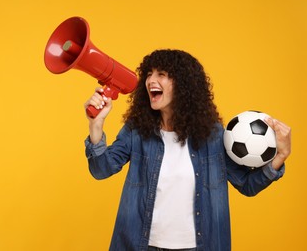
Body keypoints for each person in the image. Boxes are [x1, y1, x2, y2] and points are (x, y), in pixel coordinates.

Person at [83, 49, 291, 251]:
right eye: (148, 74)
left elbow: (247, 184)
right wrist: (96, 125)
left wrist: (280, 155)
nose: (150, 81)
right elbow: (101, 170)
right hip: (142, 245)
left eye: (161, 75)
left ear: (184, 85)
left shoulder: (213, 135)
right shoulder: (136, 131)